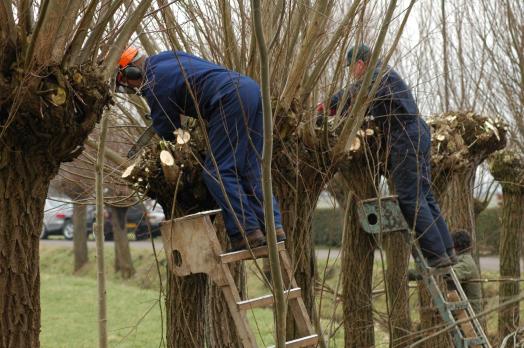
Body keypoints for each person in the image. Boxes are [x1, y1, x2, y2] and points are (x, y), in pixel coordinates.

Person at [116, 47, 286, 251]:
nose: (132, 87)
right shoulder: (168, 57)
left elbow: (166, 128)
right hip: (251, 91)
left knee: (218, 172)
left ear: (131, 72)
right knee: (249, 168)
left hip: (228, 99)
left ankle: (246, 232)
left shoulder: (153, 82)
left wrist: (171, 138)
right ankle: (273, 226)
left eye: (127, 82)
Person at [319, 44, 456, 267]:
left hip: (405, 135)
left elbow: (353, 95)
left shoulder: (376, 76)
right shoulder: (384, 74)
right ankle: (446, 250)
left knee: (410, 198)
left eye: (351, 68)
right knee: (425, 195)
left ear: (360, 64)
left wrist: (326, 107)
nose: (351, 73)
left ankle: (435, 255)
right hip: (417, 132)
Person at [450, 230, 482, 314]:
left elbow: (448, 275)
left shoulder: (465, 263)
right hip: (464, 313)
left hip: (469, 316)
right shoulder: (463, 259)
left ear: (455, 246)